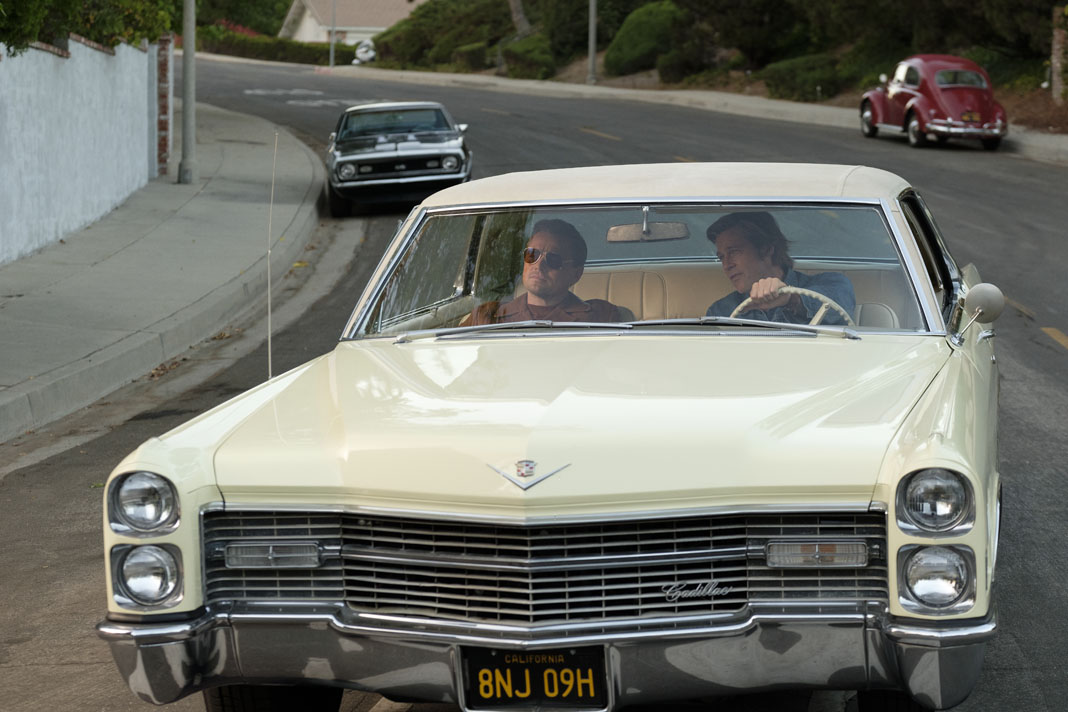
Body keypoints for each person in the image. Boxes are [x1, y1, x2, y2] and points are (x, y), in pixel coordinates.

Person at [705, 211, 855, 325]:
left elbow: (841, 305)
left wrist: (791, 299)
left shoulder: (833, 283)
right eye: (722, 257)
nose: (727, 265)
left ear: (765, 249)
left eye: (733, 252)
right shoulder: (721, 311)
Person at [467, 219, 621, 325]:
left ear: (576, 274)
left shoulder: (600, 316)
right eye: (532, 255)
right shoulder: (487, 316)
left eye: (553, 259)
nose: (538, 265)